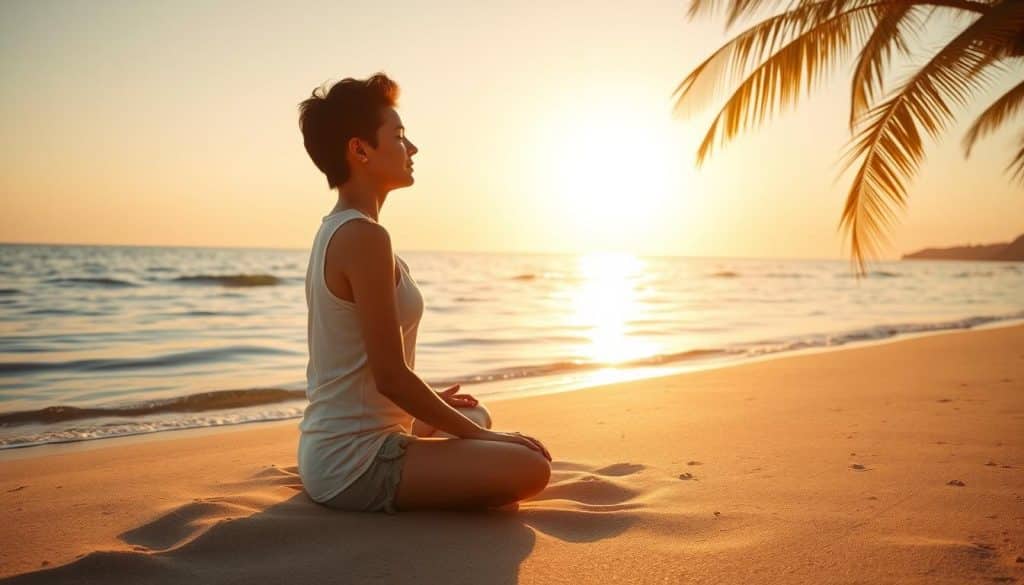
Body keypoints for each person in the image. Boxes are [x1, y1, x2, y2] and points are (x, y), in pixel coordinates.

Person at [296, 73, 552, 514]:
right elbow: (390, 376)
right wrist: (488, 442)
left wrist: (435, 407)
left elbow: (367, 369)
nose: (412, 149)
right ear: (360, 150)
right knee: (530, 466)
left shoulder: (347, 230)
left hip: (354, 440)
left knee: (474, 415)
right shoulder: (363, 237)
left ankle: (441, 440)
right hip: (352, 463)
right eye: (397, 137)